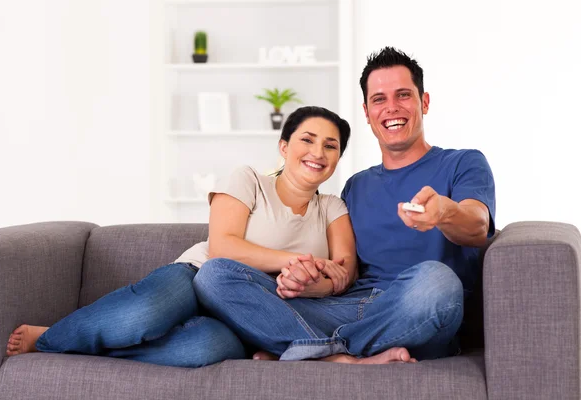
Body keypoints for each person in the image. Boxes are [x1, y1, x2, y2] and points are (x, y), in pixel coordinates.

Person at [194, 47, 496, 362]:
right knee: (215, 275)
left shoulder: (463, 162)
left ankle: (303, 347)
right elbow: (345, 271)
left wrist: (444, 212)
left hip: (415, 311)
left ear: (425, 102)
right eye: (379, 99)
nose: (391, 108)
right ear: (367, 112)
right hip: (345, 309)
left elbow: (477, 227)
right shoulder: (356, 185)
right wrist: (310, 283)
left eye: (403, 95)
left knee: (439, 281)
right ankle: (337, 356)